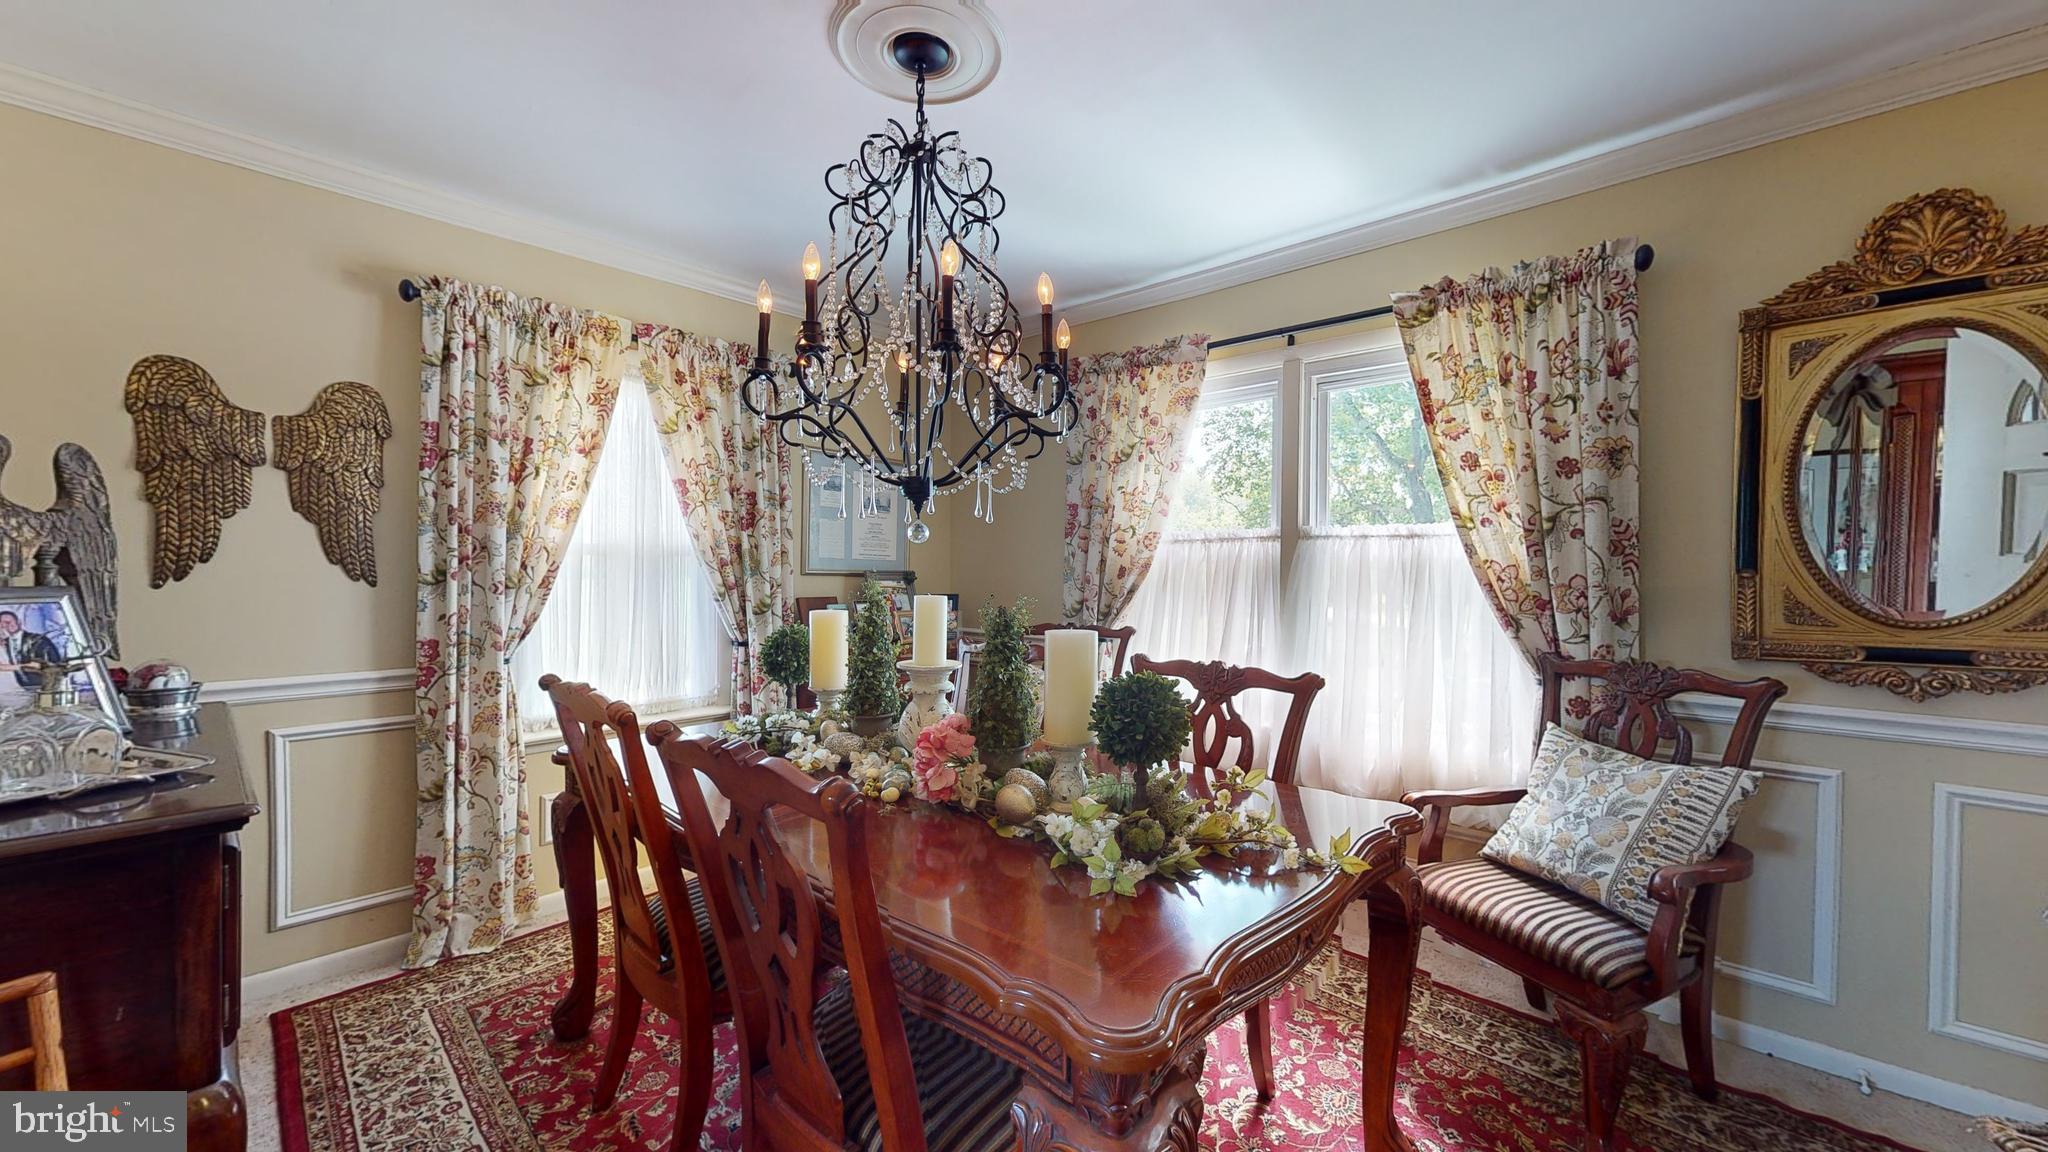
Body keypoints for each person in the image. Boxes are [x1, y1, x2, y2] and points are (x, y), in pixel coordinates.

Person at [0, 610, 60, 691]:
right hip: (24, 688)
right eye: (2, 624)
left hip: (46, 687)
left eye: (8, 622)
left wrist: (8, 667)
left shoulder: (39, 640)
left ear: (19, 622)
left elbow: (50, 663)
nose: (5, 626)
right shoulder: (5, 643)